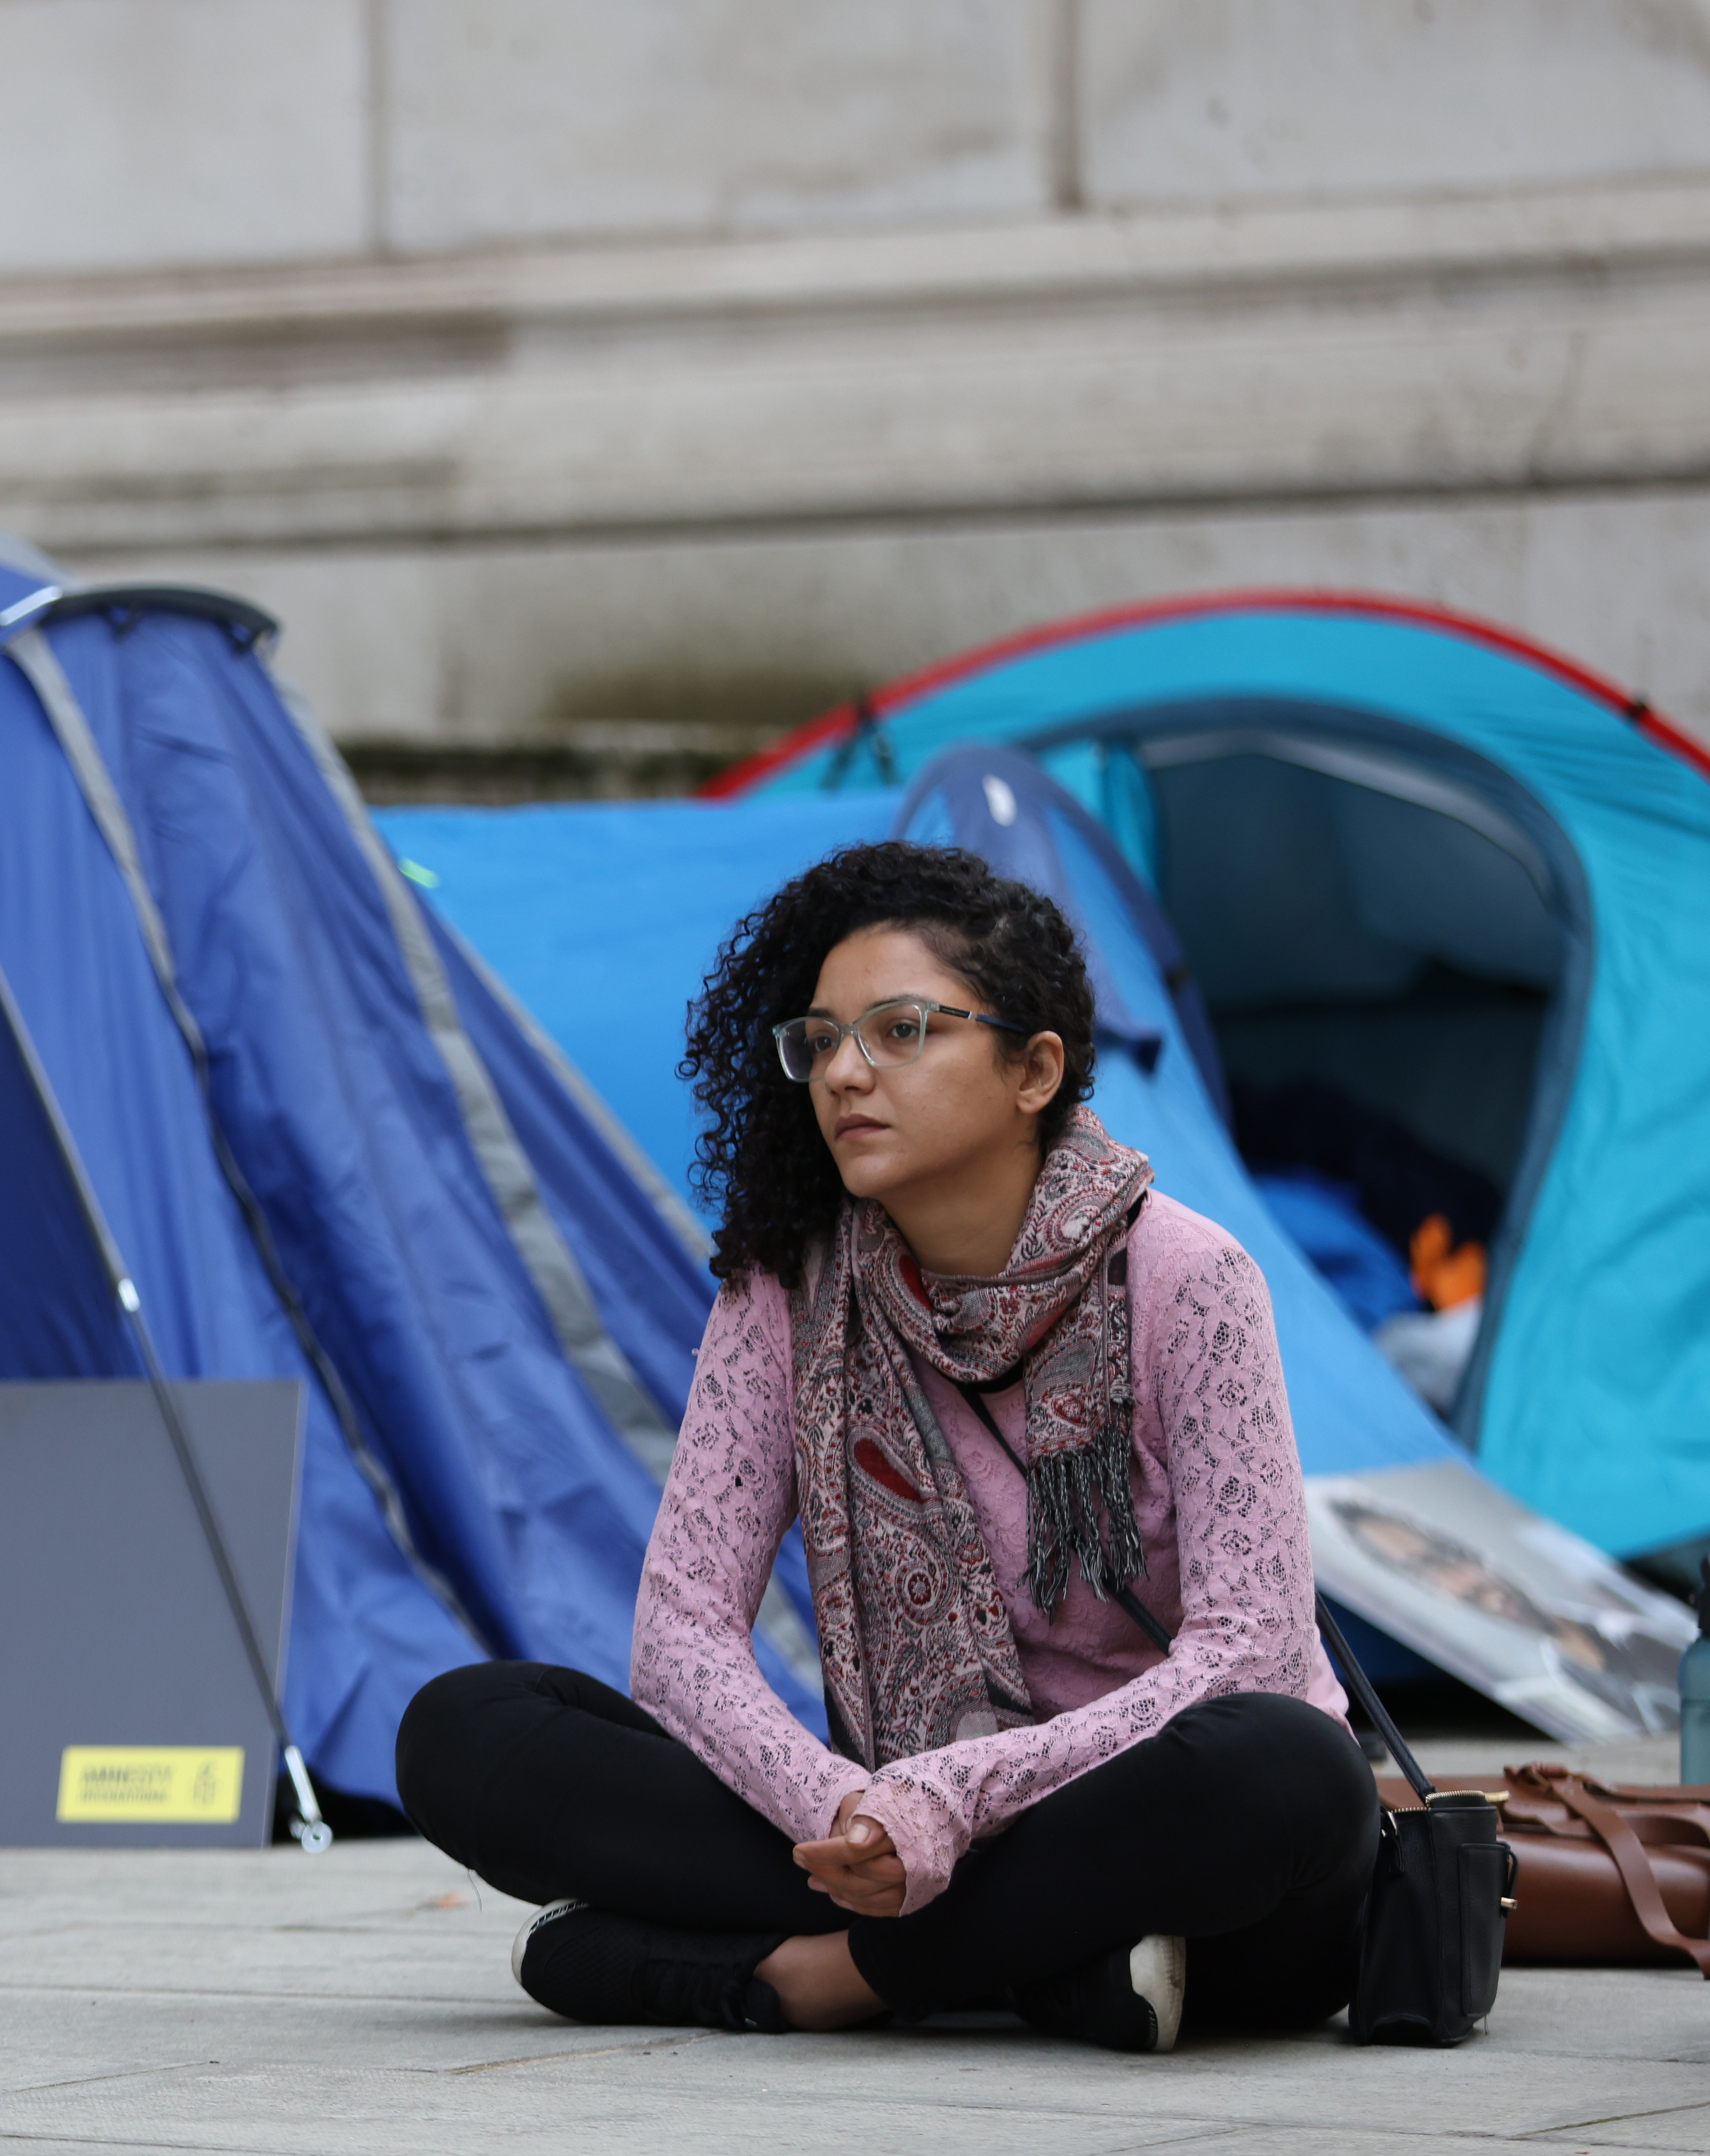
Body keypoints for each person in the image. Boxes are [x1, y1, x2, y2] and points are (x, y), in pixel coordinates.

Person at [399, 842, 1380, 2052]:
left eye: (900, 1030)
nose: (844, 1072)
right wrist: (849, 1804)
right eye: (818, 1040)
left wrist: (954, 1795)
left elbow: (1252, 1645)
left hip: (1140, 1811)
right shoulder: (785, 1288)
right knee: (466, 1729)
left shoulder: (1190, 1280)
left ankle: (831, 1977)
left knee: (1284, 1770)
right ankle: (1047, 1973)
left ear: (1032, 1069)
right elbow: (681, 1633)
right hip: (885, 1818)